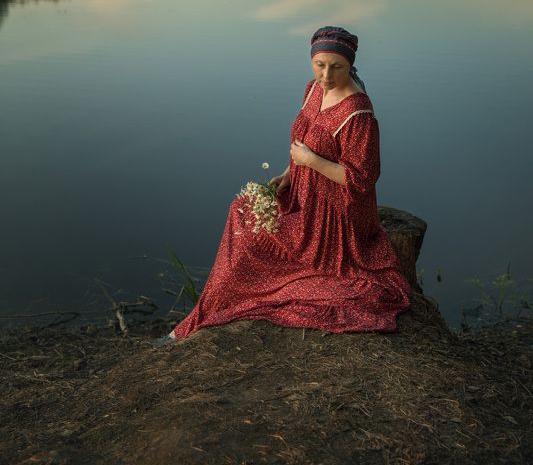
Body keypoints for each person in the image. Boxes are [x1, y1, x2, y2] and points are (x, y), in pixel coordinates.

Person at [153, 25, 411, 347]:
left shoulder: (357, 113)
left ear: (350, 65)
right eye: (320, 65)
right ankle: (214, 304)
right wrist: (289, 173)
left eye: (337, 67)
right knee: (240, 211)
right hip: (303, 193)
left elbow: (360, 179)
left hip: (333, 217)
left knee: (252, 236)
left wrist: (310, 162)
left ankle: (221, 304)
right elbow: (304, 139)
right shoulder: (314, 90)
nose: (327, 75)